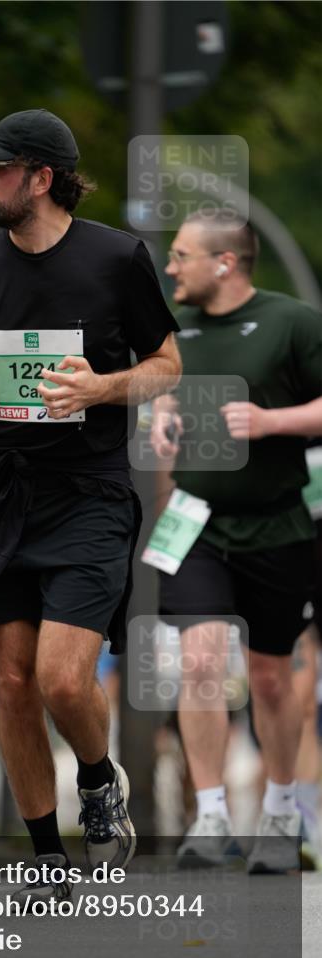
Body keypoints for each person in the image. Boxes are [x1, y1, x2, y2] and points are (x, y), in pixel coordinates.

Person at [0, 109, 181, 907]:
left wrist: (101, 387)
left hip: (89, 493)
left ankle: (99, 781)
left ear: (40, 176)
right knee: (8, 683)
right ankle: (44, 860)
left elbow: (167, 364)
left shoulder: (115, 258)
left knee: (61, 681)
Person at [151, 209, 322, 873]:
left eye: (181, 256)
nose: (170, 268)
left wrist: (271, 420)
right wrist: (162, 420)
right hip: (194, 523)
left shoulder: (292, 323)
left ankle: (280, 811)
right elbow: (163, 396)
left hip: (277, 525)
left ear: (224, 263)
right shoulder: (173, 330)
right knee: (197, 665)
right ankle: (211, 816)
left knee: (270, 679)